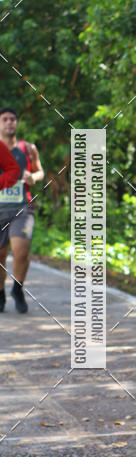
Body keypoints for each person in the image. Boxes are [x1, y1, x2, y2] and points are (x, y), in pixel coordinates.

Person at [0, 107, 45, 314]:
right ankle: (0, 292)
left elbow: (40, 171)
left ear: (17, 123)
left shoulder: (28, 148)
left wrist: (33, 177)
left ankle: (17, 289)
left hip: (21, 208)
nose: (9, 122)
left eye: (13, 119)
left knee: (21, 251)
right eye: (5, 119)